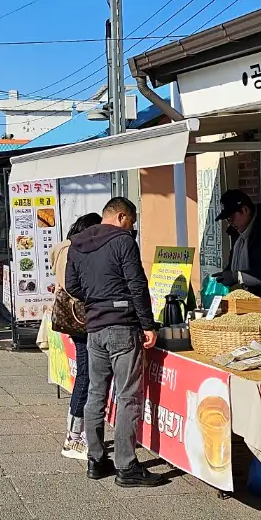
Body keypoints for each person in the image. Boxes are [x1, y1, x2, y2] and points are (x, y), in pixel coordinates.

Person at [63, 197, 167, 489]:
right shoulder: (123, 242)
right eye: (131, 222)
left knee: (96, 392)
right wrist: (148, 325)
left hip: (94, 328)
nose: (132, 229)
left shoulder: (77, 244)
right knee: (128, 396)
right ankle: (126, 465)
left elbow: (71, 285)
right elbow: (137, 284)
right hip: (123, 325)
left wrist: (95, 299)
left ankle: (96, 459)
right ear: (121, 216)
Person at [50, 212, 101, 461]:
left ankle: (78, 431)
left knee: (86, 374)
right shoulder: (74, 250)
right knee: (86, 375)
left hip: (75, 319)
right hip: (82, 319)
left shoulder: (64, 248)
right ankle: (73, 437)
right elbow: (73, 286)